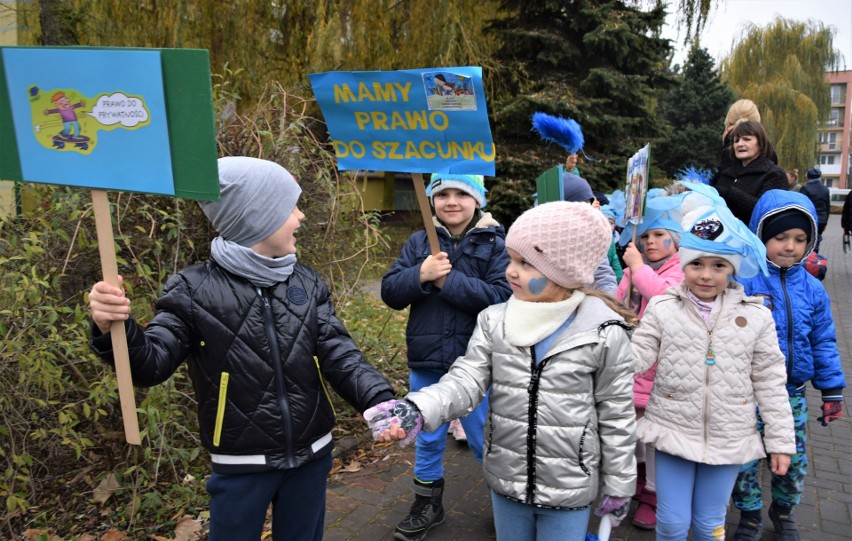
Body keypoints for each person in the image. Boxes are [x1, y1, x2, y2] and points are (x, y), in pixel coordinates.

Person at [88, 157, 396, 541]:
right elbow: (150, 365)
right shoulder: (193, 289)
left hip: (312, 455)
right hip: (240, 462)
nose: (300, 216)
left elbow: (340, 354)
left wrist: (379, 399)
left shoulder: (306, 282)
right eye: (290, 207)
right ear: (257, 217)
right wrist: (113, 327)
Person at [368, 202, 638, 541]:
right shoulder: (496, 320)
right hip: (507, 481)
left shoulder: (602, 332)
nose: (511, 271)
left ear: (563, 270)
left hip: (569, 487)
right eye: (511, 259)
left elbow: (616, 415)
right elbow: (465, 379)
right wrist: (418, 408)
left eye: (525, 263)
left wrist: (619, 483)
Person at [630, 202, 796, 541]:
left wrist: (780, 442)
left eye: (718, 265)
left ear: (731, 270)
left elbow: (770, 382)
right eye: (697, 264)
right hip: (672, 429)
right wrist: (606, 352)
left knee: (710, 525)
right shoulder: (663, 307)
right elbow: (638, 354)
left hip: (729, 437)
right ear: (684, 264)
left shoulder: (756, 317)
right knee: (672, 523)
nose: (706, 274)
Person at [380, 173, 511, 541]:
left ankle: (506, 504)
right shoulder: (419, 241)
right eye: (442, 194)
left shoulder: (494, 243)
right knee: (428, 435)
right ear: (432, 200)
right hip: (428, 360)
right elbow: (391, 291)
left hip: (477, 364)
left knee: (486, 437)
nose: (451, 201)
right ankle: (428, 504)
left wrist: (445, 282)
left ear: (477, 200)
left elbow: (502, 297)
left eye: (461, 193)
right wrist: (420, 274)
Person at [731, 189, 846, 541]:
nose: (790, 246)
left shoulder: (812, 289)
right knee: (744, 462)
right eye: (780, 237)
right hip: (745, 394)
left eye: (800, 239)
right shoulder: (743, 282)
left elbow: (823, 340)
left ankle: (783, 512)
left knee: (792, 464)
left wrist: (832, 390)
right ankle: (748, 514)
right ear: (761, 235)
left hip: (791, 394)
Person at [615, 205, 685, 531]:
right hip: (634, 365)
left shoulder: (681, 269)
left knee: (656, 439)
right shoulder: (635, 268)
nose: (651, 241)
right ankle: (638, 485)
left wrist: (638, 268)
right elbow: (619, 304)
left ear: (675, 240)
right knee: (636, 435)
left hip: (660, 370)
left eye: (660, 235)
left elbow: (662, 298)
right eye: (646, 236)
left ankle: (654, 499)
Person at [711, 120, 788, 225]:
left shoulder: (774, 174)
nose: (740, 144)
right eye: (736, 141)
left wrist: (730, 193)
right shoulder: (725, 173)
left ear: (760, 143)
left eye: (746, 139)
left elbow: (766, 212)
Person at [561, 172, 618, 295]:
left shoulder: (591, 238)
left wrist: (611, 303)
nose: (585, 213)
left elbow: (603, 276)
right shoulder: (540, 241)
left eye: (588, 205)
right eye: (579, 207)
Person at [798, 167, 831, 252]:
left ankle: (808, 258)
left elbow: (801, 204)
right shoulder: (825, 189)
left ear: (808, 177)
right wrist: (825, 222)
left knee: (808, 239)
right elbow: (827, 207)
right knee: (817, 239)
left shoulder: (805, 188)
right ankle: (815, 257)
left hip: (809, 218)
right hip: (822, 219)